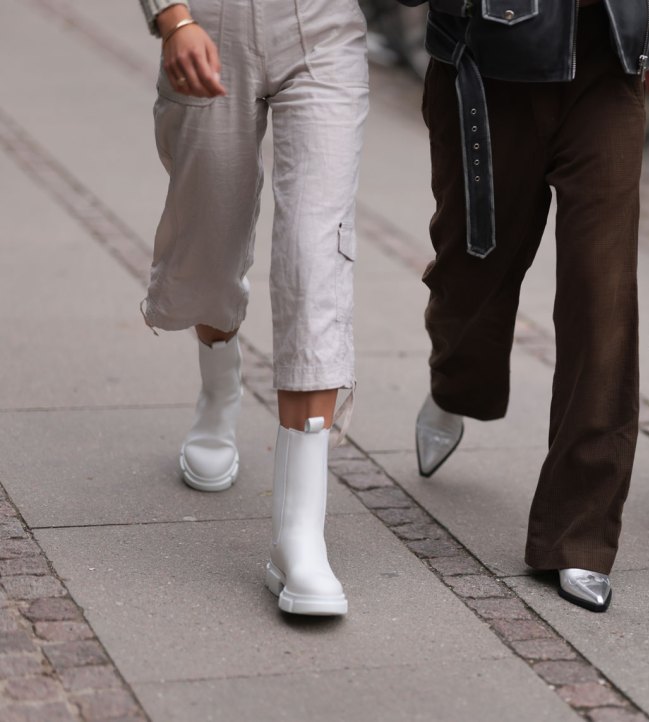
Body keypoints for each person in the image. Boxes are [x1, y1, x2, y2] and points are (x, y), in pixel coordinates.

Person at [412, 0, 649, 613]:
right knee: (473, 275)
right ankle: (458, 386)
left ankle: (578, 533)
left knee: (603, 303)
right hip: (487, 65)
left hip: (609, 66)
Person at [138, 0, 369, 616]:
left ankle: (299, 537)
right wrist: (173, 20)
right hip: (207, 24)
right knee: (210, 246)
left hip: (325, 28)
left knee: (313, 257)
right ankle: (219, 390)